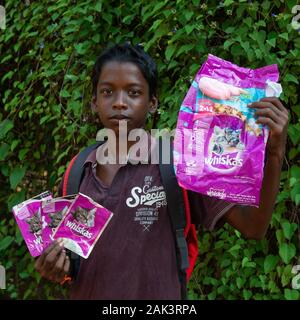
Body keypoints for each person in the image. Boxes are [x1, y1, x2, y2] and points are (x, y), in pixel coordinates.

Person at [35, 43, 289, 300]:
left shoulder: (181, 164)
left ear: (152, 102)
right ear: (94, 102)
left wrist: (275, 153)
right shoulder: (77, 170)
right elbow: (67, 261)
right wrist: (54, 266)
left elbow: (253, 227)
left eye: (133, 92)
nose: (120, 103)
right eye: (107, 92)